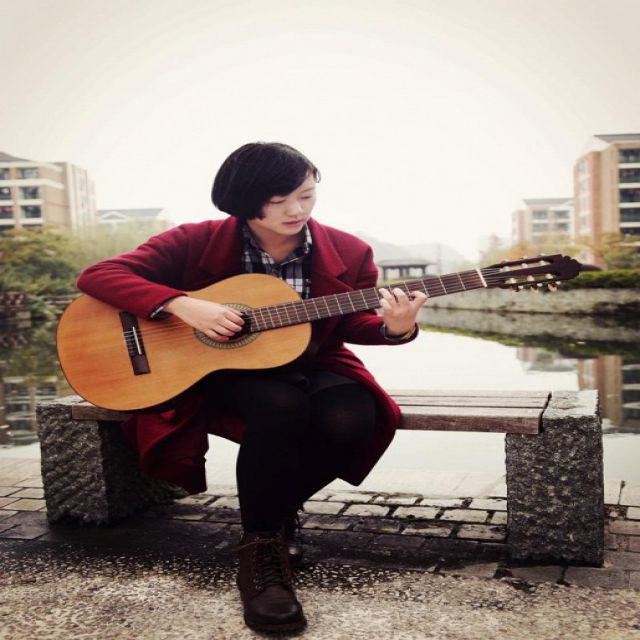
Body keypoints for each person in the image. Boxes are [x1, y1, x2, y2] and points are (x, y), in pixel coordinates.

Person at [76, 142, 428, 633]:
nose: (296, 210)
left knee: (355, 417)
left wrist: (395, 328)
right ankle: (262, 552)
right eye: (279, 200)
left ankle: (272, 513)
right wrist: (182, 305)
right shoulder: (196, 240)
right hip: (217, 370)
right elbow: (98, 275)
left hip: (310, 359)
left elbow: (353, 324)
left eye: (306, 195)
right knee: (280, 406)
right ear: (243, 201)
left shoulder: (350, 251)